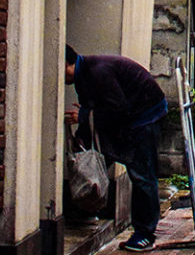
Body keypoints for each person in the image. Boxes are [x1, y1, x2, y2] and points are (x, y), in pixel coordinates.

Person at [64, 45, 168, 252]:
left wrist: (84, 117)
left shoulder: (98, 72)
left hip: (145, 116)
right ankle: (85, 208)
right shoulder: (83, 76)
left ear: (68, 64)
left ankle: (145, 234)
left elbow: (117, 109)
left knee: (142, 174)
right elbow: (96, 109)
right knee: (95, 161)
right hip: (128, 119)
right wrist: (82, 137)